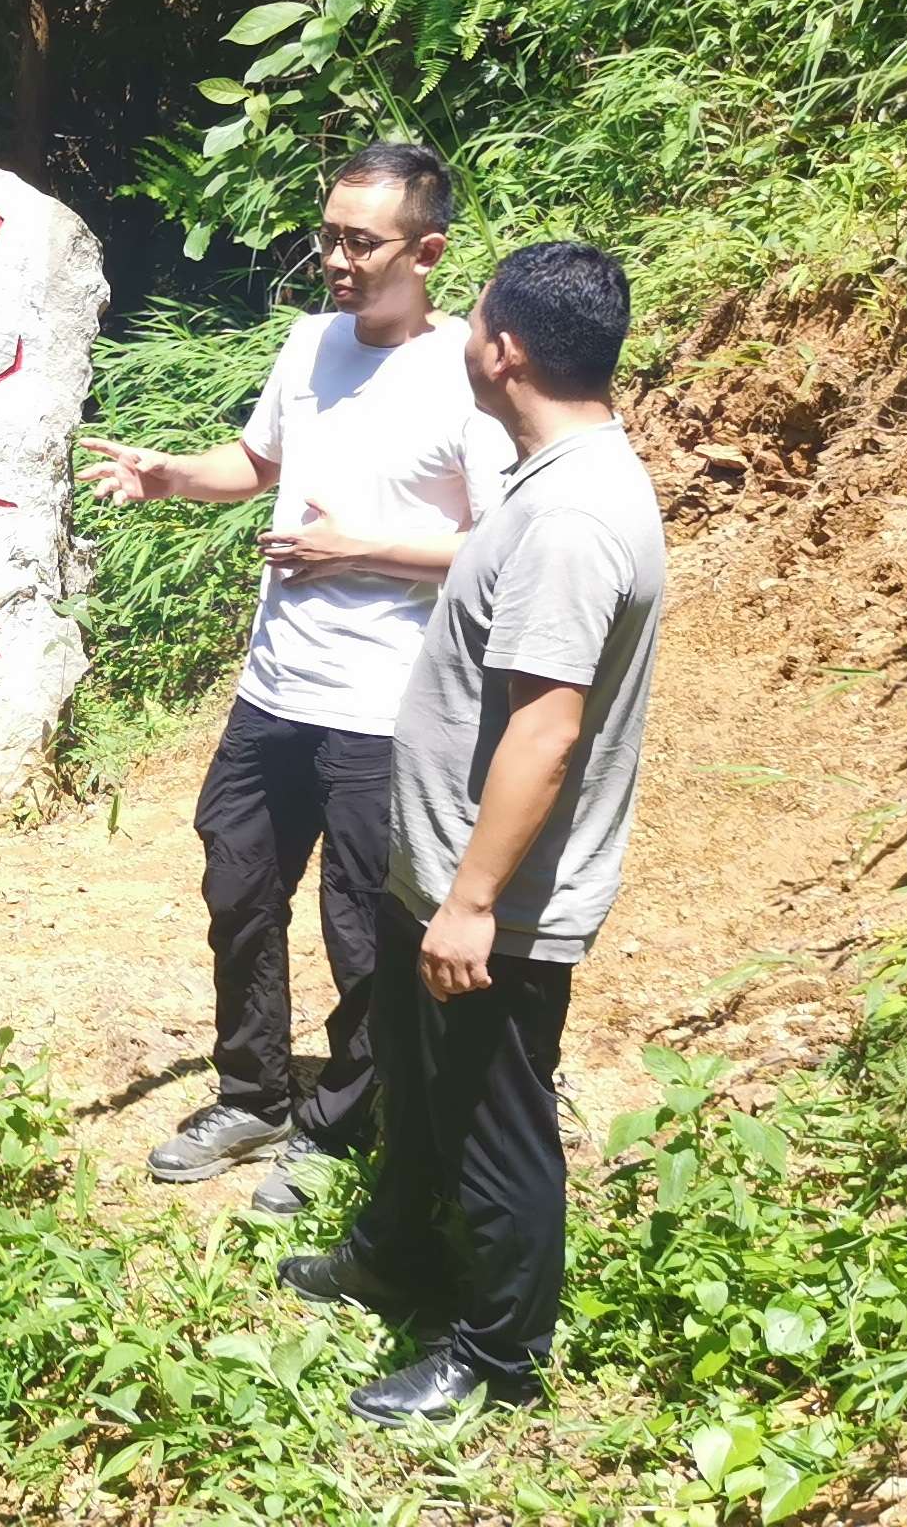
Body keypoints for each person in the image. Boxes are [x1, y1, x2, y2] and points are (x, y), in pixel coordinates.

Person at [76, 143, 515, 1215]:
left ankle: (338, 1122)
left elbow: (503, 547)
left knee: (362, 927)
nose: (336, 258)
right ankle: (254, 1093)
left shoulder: (469, 373)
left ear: (430, 250)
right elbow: (262, 467)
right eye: (328, 235)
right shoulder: (310, 343)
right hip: (275, 690)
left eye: (360, 241)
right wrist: (173, 476)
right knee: (237, 889)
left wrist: (357, 551)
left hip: (387, 707)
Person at [276, 240, 666, 1426]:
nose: (464, 341)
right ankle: (394, 1249)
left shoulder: (574, 520)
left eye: (476, 324)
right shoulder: (550, 481)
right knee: (420, 1087)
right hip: (436, 870)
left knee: (497, 1127)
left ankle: (498, 1355)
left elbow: (546, 734)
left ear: (506, 351)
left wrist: (475, 902)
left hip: (491, 902)